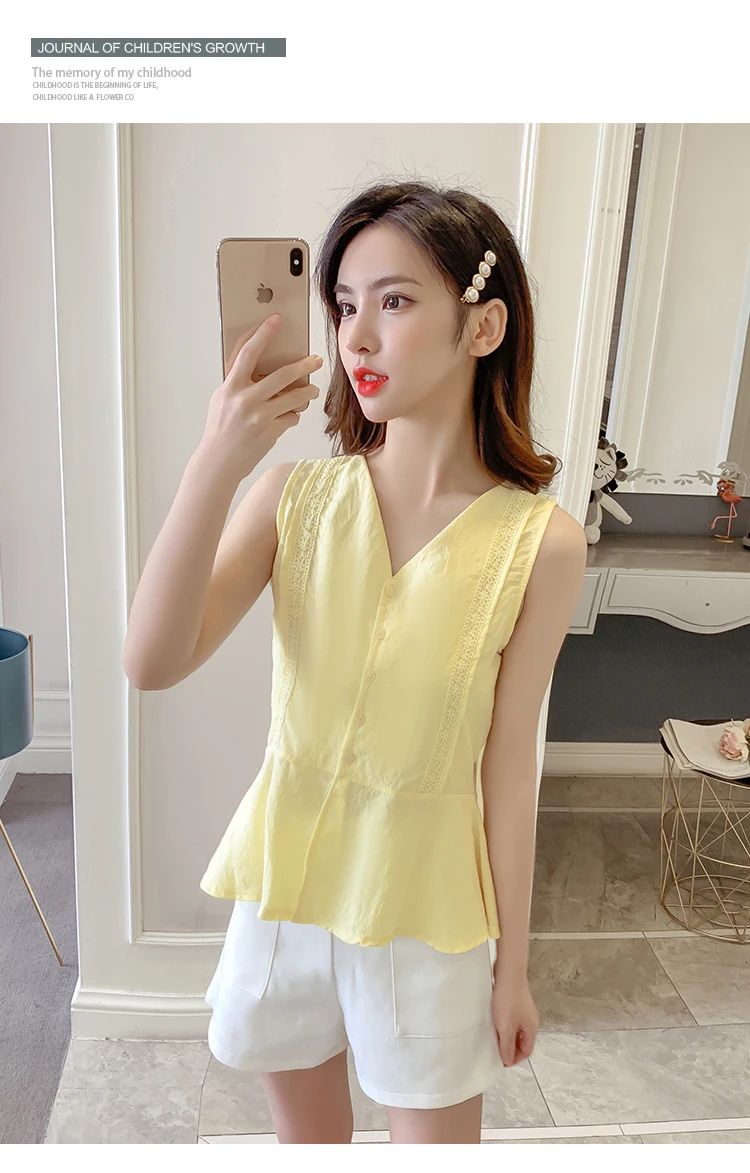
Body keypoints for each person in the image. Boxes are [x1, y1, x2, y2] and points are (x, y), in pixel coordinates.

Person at [123, 179, 587, 1144]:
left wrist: (512, 967)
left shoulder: (539, 543)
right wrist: (218, 459)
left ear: (484, 325)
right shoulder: (291, 498)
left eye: (395, 300)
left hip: (425, 909)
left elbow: (509, 766)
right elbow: (150, 661)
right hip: (287, 895)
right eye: (342, 306)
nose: (356, 338)